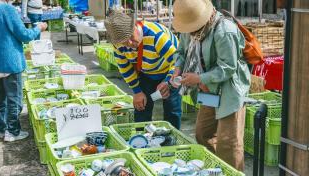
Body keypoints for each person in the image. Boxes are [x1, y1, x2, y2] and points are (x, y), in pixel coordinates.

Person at [171, 0, 250, 171]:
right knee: (203, 134)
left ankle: (231, 172)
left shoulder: (225, 31)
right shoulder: (189, 28)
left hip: (230, 91)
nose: (189, 31)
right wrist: (177, 69)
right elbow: (181, 52)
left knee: (228, 143)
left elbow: (228, 68)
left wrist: (198, 78)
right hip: (208, 90)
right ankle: (215, 170)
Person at [104, 10, 182, 129]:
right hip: (147, 72)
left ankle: (173, 140)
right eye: (125, 42)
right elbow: (125, 68)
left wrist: (167, 81)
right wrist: (137, 91)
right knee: (141, 106)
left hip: (170, 71)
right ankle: (142, 139)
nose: (130, 43)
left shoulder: (156, 36)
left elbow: (177, 62)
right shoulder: (118, 44)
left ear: (135, 25)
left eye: (130, 36)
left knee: (172, 108)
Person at [0, 0, 47, 142]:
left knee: (0, 96)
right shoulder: (7, 9)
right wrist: (38, 28)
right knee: (14, 98)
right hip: (10, 61)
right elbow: (24, 36)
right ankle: (13, 131)